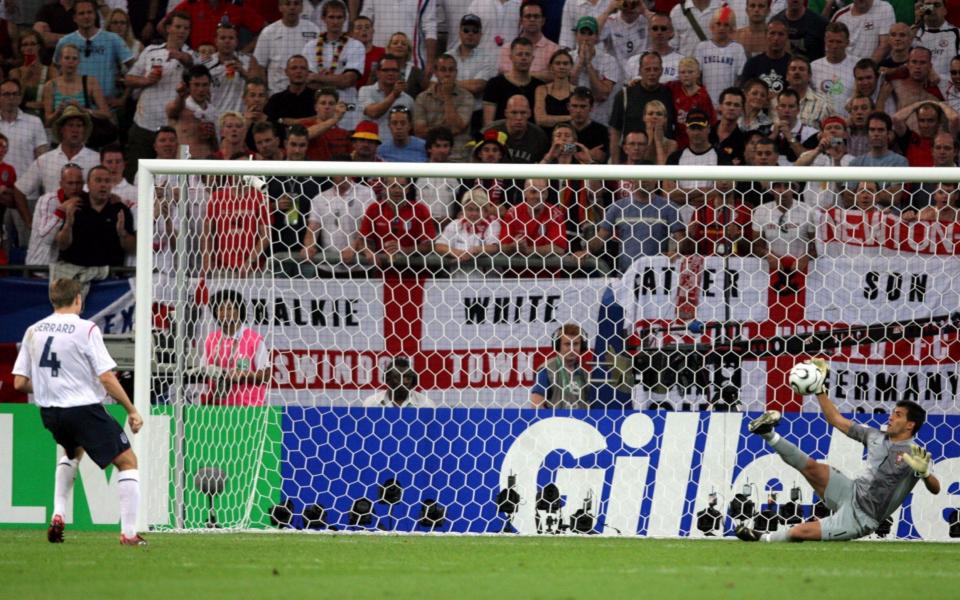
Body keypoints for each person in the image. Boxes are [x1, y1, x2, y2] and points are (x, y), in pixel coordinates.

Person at [736, 359, 941, 542]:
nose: (891, 417)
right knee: (812, 467)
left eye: (897, 415)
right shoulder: (875, 435)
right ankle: (767, 433)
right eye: (892, 413)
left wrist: (925, 473)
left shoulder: (916, 455)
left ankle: (762, 538)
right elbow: (836, 420)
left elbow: (936, 488)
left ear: (909, 425)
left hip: (861, 517)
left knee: (800, 532)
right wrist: (819, 390)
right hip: (849, 491)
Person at [12, 278, 146, 546]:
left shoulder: (33, 330)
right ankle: (130, 534)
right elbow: (107, 377)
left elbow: (19, 383)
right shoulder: (86, 329)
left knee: (72, 452)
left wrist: (52, 387)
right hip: (82, 408)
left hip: (51, 413)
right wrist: (131, 409)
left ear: (52, 300)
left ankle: (58, 514)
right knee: (128, 462)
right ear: (78, 299)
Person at [53, 165, 135, 291]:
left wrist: (122, 233)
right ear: (88, 185)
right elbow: (62, 245)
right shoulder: (74, 206)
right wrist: (68, 225)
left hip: (109, 280)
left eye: (107, 181)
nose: (103, 185)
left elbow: (132, 248)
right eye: (98, 180)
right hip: (74, 275)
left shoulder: (120, 210)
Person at [201, 289, 270, 406]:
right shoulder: (211, 339)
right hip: (216, 408)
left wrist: (245, 375)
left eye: (229, 308)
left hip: (248, 409)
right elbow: (202, 371)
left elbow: (266, 376)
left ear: (239, 311)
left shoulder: (254, 339)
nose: (224, 313)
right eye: (220, 309)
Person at [304, 0, 364, 130]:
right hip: (319, 110)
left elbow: (348, 80)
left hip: (347, 109)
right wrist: (337, 78)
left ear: (345, 19)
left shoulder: (356, 46)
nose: (335, 21)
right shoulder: (310, 46)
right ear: (323, 18)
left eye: (339, 17)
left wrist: (318, 77)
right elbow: (308, 82)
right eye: (331, 17)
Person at [609, 51, 676, 164]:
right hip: (630, 161)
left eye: (655, 69)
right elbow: (615, 132)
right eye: (647, 69)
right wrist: (615, 165)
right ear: (640, 71)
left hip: (660, 160)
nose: (652, 73)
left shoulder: (669, 94)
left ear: (661, 71)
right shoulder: (625, 95)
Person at [414, 54, 474, 162]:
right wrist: (445, 128)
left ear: (456, 72)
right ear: (435, 72)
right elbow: (419, 132)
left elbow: (457, 127)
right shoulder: (422, 98)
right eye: (443, 70)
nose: (447, 74)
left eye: (451, 70)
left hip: (458, 158)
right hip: (430, 159)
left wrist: (447, 96)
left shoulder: (467, 97)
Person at [253, 0, 321, 95]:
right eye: (288, 4)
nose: (292, 7)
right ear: (280, 7)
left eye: (296, 3)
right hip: (276, 94)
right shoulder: (268, 33)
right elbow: (259, 67)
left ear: (302, 7)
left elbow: (320, 64)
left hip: (307, 95)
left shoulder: (314, 30)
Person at [25, 162, 83, 269]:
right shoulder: (48, 200)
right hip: (40, 267)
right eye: (70, 183)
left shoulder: (82, 200)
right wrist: (61, 210)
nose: (74, 188)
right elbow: (46, 238)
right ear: (61, 184)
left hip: (63, 268)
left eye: (78, 183)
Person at [435, 186, 501, 277]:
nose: (474, 213)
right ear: (463, 210)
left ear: (486, 211)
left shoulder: (493, 224)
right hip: (458, 283)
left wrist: (475, 250)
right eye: (470, 209)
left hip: (488, 284)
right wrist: (459, 253)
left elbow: (494, 247)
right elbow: (439, 246)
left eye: (478, 209)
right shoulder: (456, 224)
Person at [206, 21, 263, 116]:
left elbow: (260, 86)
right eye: (223, 38)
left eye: (231, 38)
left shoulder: (249, 60)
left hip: (241, 117)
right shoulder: (206, 64)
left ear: (236, 41)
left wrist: (243, 72)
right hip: (214, 116)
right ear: (216, 41)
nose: (227, 41)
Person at [483, 37, 543, 126]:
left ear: (532, 58)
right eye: (519, 54)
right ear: (511, 57)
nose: (524, 58)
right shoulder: (494, 84)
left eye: (527, 54)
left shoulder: (539, 86)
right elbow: (488, 123)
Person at [693, 6, 747, 105]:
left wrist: (732, 99)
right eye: (718, 24)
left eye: (726, 25)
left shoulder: (737, 49)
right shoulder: (702, 47)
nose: (721, 27)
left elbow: (740, 78)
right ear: (712, 26)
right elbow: (697, 77)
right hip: (705, 101)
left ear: (731, 28)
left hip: (728, 104)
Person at [358, 54, 414, 146]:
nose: (390, 73)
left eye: (394, 70)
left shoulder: (408, 100)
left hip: (396, 150)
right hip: (370, 148)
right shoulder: (365, 91)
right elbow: (373, 113)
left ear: (399, 73)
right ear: (377, 73)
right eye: (386, 70)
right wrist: (394, 95)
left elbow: (411, 130)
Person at [530, 323, 590, 409]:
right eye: (567, 344)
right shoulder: (547, 370)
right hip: (555, 421)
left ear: (582, 346)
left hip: (579, 421)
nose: (572, 348)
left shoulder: (584, 373)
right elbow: (536, 405)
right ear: (558, 346)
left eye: (576, 344)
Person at [500, 0, 558, 81]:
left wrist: (520, 73)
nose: (532, 19)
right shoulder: (507, 48)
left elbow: (554, 76)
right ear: (521, 21)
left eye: (536, 16)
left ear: (543, 21)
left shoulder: (554, 49)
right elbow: (505, 74)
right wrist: (541, 75)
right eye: (528, 16)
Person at [666, 57, 716, 150]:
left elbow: (711, 122)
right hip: (677, 143)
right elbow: (656, 87)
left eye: (690, 72)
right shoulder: (673, 87)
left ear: (698, 74)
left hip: (697, 143)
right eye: (683, 72)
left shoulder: (703, 96)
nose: (686, 75)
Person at [810, 22, 858, 117]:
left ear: (847, 43)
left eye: (839, 42)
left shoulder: (857, 65)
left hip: (848, 121)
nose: (834, 46)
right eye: (831, 41)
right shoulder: (813, 67)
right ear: (825, 41)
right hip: (819, 123)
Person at [484, 94, 549, 163]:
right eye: (514, 113)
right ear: (506, 113)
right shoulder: (490, 132)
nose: (519, 118)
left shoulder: (539, 136)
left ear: (529, 114)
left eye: (523, 113)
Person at [10, 31, 58, 119]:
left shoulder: (51, 71)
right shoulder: (15, 72)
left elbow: (57, 98)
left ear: (39, 47)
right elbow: (12, 100)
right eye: (25, 45)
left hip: (46, 118)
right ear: (21, 49)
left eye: (32, 44)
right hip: (22, 119)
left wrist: (44, 104)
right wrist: (24, 78)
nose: (29, 48)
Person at [362, 357, 435, 408]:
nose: (404, 381)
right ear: (388, 379)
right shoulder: (372, 403)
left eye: (408, 377)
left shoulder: (426, 405)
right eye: (398, 377)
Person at [914, 0, 960, 80]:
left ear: (945, 11)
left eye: (937, 5)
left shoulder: (958, 33)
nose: (932, 8)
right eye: (928, 5)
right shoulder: (913, 34)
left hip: (948, 88)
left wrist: (939, 78)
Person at [533, 49, 575, 135]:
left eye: (565, 63)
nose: (562, 67)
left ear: (571, 67)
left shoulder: (577, 91)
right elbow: (540, 120)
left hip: (569, 140)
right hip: (545, 139)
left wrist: (550, 119)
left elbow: (579, 121)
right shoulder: (541, 90)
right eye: (558, 63)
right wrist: (570, 117)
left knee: (571, 148)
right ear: (551, 67)